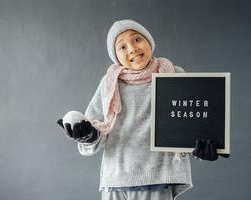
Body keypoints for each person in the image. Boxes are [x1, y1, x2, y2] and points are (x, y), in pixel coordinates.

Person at [57, 19, 228, 200]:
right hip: (115, 180)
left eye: (137, 39)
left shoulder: (172, 74)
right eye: (122, 47)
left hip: (157, 177)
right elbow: (96, 128)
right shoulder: (109, 83)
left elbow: (188, 123)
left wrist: (206, 145)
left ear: (149, 41)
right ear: (115, 56)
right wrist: (87, 135)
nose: (132, 48)